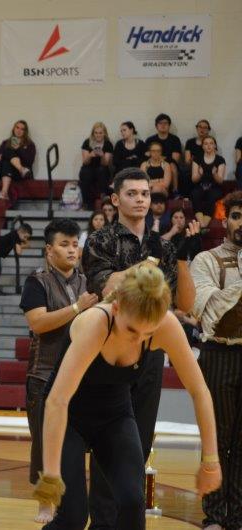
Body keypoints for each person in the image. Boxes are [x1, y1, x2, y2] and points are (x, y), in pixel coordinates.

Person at [34, 265, 221, 530]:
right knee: (73, 517)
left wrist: (211, 461)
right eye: (132, 330)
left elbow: (199, 390)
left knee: (133, 502)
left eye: (149, 333)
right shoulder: (96, 323)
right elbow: (58, 400)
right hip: (68, 416)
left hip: (114, 415)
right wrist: (51, 475)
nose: (139, 339)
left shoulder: (166, 324)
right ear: (117, 308)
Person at [82, 167, 200, 527]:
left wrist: (183, 255)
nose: (140, 200)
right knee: (107, 443)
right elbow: (107, 287)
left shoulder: (163, 246)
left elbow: (185, 305)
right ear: (116, 199)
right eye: (132, 193)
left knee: (140, 443)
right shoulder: (100, 240)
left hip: (150, 353)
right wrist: (147, 266)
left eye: (145, 194)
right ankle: (103, 524)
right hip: (110, 353)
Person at [20, 219, 98, 524]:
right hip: (44, 375)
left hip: (81, 375)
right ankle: (46, 502)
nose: (72, 250)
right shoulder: (36, 282)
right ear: (49, 250)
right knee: (44, 444)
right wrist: (77, 309)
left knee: (76, 445)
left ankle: (76, 500)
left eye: (75, 244)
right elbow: (38, 323)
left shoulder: (88, 282)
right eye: (64, 244)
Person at [190, 190, 242, 530]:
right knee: (217, 437)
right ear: (225, 221)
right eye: (237, 216)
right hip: (218, 352)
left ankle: (238, 516)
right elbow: (211, 312)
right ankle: (214, 515)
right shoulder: (205, 260)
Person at [0, 120, 36, 202]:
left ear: (25, 132)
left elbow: (29, 162)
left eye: (22, 129)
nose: (19, 130)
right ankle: (21, 169)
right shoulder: (6, 142)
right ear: (13, 128)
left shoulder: (30, 144)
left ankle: (4, 192)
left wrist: (18, 149)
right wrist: (0, 157)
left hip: (20, 175)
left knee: (7, 158)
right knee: (7, 152)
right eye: (17, 127)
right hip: (5, 172)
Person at [0, 223, 33, 296]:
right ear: (21, 231)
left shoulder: (15, 235)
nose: (25, 239)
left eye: (27, 238)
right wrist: (23, 245)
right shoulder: (15, 236)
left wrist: (23, 244)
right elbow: (19, 252)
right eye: (25, 237)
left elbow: (27, 245)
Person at [191, 136, 227, 229]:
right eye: (206, 143)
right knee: (195, 194)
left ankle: (204, 224)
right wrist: (200, 174)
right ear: (203, 146)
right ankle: (201, 222)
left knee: (212, 195)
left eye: (211, 143)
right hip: (200, 186)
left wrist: (214, 174)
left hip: (215, 187)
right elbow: (194, 179)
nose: (208, 146)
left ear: (215, 146)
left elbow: (220, 181)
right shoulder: (197, 159)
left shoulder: (220, 160)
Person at [145, 113, 182, 194]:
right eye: (160, 123)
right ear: (156, 126)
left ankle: (175, 190)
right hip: (153, 162)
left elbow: (175, 159)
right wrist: (159, 158)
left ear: (169, 125)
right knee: (144, 165)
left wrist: (161, 159)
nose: (163, 125)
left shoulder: (175, 139)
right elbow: (147, 156)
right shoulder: (150, 140)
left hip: (169, 163)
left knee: (172, 166)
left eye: (165, 123)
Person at [79, 122, 113, 208]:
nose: (98, 135)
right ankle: (87, 203)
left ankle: (104, 199)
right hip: (89, 168)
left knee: (102, 170)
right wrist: (90, 155)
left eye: (100, 133)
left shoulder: (108, 144)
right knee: (86, 172)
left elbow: (105, 163)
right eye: (96, 133)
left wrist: (102, 156)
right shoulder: (87, 142)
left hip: (102, 169)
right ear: (93, 133)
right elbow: (85, 162)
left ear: (104, 133)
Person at [183, 119, 214, 198]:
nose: (202, 129)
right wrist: (193, 161)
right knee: (186, 172)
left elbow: (213, 158)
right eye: (200, 127)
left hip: (206, 166)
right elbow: (187, 161)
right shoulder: (190, 142)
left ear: (208, 130)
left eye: (205, 127)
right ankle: (187, 197)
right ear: (197, 128)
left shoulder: (210, 141)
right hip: (192, 166)